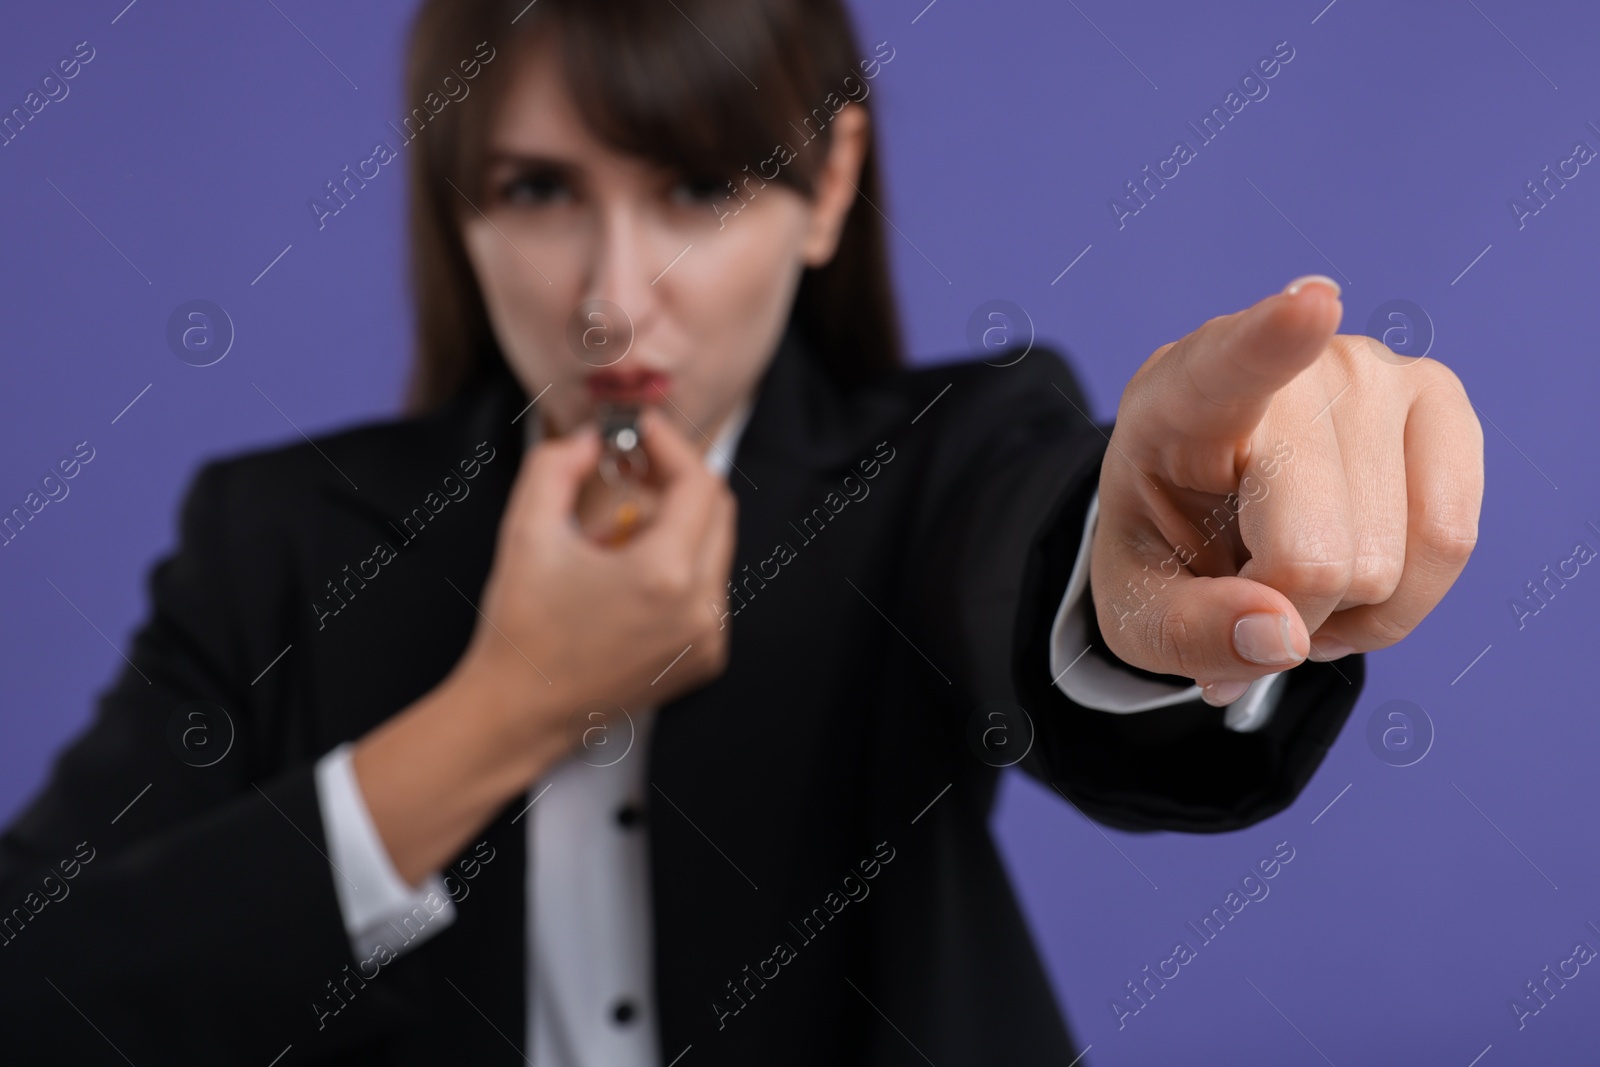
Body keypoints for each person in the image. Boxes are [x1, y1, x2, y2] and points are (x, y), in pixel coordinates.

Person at [0, 0, 1482, 1063]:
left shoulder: (937, 458)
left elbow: (1034, 557)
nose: (612, 293)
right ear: (457, 201)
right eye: (535, 189)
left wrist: (1159, 555)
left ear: (828, 185)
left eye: (702, 186)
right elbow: (40, 990)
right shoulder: (277, 535)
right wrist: (503, 711)